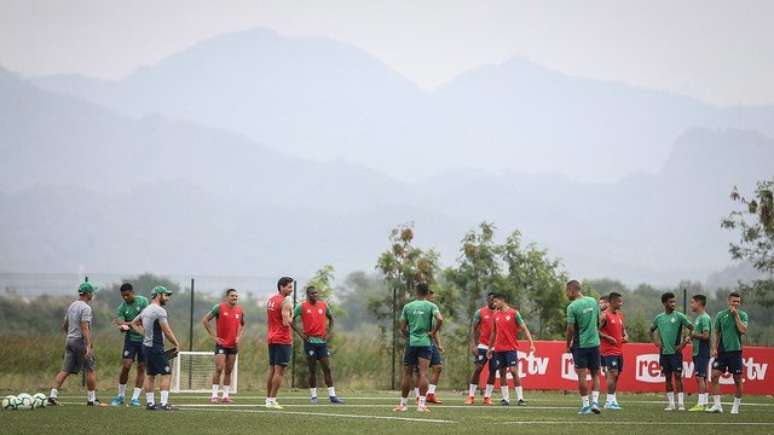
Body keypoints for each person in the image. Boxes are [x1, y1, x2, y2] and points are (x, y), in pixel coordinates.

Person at [48, 282, 101, 406]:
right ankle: (91, 399)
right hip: (80, 342)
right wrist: (88, 346)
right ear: (88, 294)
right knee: (90, 370)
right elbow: (85, 327)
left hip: (69, 340)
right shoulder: (86, 308)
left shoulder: (72, 305)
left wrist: (70, 335)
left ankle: (52, 396)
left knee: (65, 370)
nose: (93, 294)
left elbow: (64, 325)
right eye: (92, 292)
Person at [394, 283, 443, 413]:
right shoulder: (432, 306)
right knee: (424, 373)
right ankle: (421, 405)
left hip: (412, 342)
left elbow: (402, 328)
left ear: (416, 292)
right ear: (427, 293)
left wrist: (409, 337)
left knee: (407, 374)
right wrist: (433, 332)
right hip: (425, 343)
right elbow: (440, 319)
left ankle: (403, 405)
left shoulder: (408, 306)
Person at [131, 286, 180, 411]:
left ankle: (150, 404)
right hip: (156, 347)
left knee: (150, 374)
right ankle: (164, 404)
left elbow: (133, 323)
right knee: (167, 373)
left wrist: (146, 334)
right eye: (166, 295)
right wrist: (176, 343)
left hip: (146, 346)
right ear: (159, 295)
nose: (167, 298)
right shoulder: (159, 311)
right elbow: (167, 331)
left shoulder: (146, 309)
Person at [293, 286, 343, 404]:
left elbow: (331, 319)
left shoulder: (323, 305)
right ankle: (314, 396)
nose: (315, 295)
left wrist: (329, 333)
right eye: (312, 293)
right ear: (307, 294)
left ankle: (332, 396)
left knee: (327, 368)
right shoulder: (301, 306)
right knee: (312, 369)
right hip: (310, 342)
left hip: (322, 342)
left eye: (316, 293)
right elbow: (291, 320)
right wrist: (301, 334)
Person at [486, 293, 535, 406]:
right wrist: (490, 348)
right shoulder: (495, 315)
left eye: (496, 301)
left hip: (511, 348)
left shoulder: (514, 313)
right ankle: (505, 399)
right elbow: (493, 333)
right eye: (493, 302)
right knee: (502, 373)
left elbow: (524, 328)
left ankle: (520, 398)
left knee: (513, 371)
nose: (494, 304)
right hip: (498, 349)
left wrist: (531, 344)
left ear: (502, 300)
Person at [649, 292, 693, 411]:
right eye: (670, 302)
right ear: (664, 303)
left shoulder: (679, 316)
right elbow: (650, 331)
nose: (673, 304)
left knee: (678, 376)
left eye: (674, 301)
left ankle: (681, 404)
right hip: (664, 353)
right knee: (667, 377)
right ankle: (671, 404)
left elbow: (692, 328)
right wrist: (656, 342)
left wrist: (684, 343)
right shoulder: (659, 318)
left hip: (676, 353)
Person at [706, 292, 749, 414]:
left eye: (738, 301)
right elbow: (717, 332)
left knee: (737, 380)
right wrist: (714, 348)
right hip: (722, 352)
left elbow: (743, 330)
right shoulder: (721, 315)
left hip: (735, 352)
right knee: (714, 376)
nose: (736, 303)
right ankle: (717, 405)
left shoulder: (743, 315)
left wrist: (736, 316)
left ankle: (735, 406)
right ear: (728, 301)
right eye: (733, 301)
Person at [565, 280, 602, 415]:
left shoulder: (572, 307)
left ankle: (586, 405)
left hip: (581, 345)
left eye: (567, 291)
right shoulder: (593, 301)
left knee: (582, 375)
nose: (566, 294)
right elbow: (599, 320)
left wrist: (567, 344)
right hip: (595, 343)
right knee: (595, 374)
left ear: (572, 290)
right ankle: (596, 402)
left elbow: (570, 329)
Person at [202, 288, 245, 403]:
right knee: (219, 368)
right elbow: (205, 320)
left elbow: (243, 325)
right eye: (232, 296)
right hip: (221, 344)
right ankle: (214, 395)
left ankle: (225, 396)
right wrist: (214, 336)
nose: (234, 298)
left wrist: (239, 337)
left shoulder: (240, 310)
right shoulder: (219, 308)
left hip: (233, 345)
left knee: (229, 370)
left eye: (236, 296)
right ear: (227, 297)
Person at [111, 283, 149, 407]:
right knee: (126, 366)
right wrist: (122, 327)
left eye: (127, 295)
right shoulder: (121, 308)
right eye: (123, 296)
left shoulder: (143, 301)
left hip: (144, 339)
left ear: (133, 292)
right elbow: (122, 325)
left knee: (142, 367)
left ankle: (135, 398)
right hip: (130, 340)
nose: (125, 297)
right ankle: (120, 396)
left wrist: (126, 323)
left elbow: (144, 319)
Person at [265, 277, 295, 409]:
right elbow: (286, 322)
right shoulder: (285, 302)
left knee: (272, 370)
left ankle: (268, 399)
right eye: (289, 286)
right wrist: (292, 313)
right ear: (281, 287)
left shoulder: (271, 300)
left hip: (271, 338)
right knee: (279, 372)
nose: (291, 289)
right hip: (282, 339)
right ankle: (272, 400)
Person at [465, 292, 497, 405]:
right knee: (478, 368)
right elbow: (473, 329)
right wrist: (473, 345)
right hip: (483, 345)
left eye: (495, 300)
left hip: (496, 347)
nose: (493, 302)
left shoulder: (500, 313)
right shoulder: (480, 312)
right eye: (491, 300)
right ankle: (471, 396)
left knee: (493, 370)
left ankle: (487, 397)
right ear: (487, 300)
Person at [598, 292, 627, 410]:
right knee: (612, 373)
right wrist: (607, 337)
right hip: (608, 350)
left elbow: (623, 330)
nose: (621, 303)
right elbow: (596, 330)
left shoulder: (620, 315)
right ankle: (609, 402)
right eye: (619, 301)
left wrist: (625, 336)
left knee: (616, 375)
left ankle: (613, 400)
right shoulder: (604, 315)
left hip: (619, 350)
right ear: (613, 302)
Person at [687, 294, 711, 412]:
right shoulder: (698, 318)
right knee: (703, 377)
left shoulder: (704, 318)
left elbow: (706, 336)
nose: (691, 305)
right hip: (698, 351)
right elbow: (699, 335)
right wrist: (691, 338)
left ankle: (701, 404)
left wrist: (693, 335)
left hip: (702, 351)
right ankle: (705, 403)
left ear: (699, 303)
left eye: (692, 302)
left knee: (699, 377)